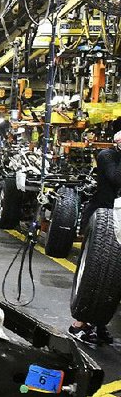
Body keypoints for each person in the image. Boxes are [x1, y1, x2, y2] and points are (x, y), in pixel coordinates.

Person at [68, 127, 121, 347]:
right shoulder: (106, 155)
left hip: (117, 220)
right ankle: (80, 324)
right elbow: (116, 178)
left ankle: (99, 325)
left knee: (113, 276)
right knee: (97, 273)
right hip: (102, 221)